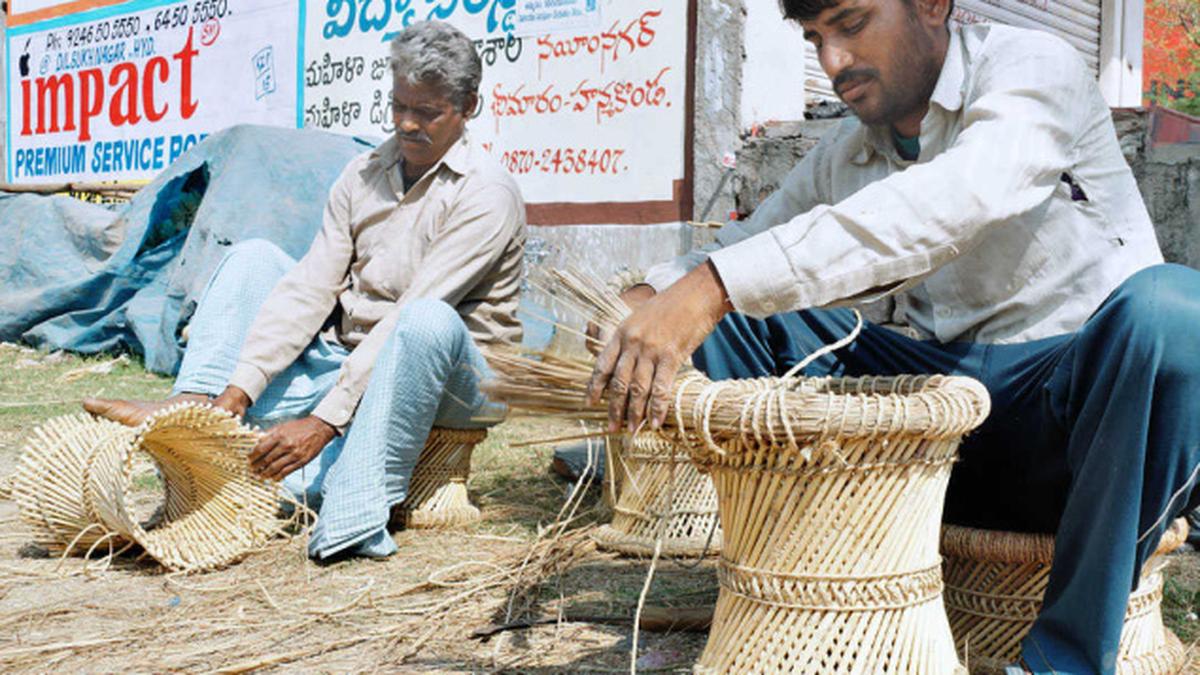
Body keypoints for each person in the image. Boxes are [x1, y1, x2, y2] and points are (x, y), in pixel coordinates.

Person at [587, 0, 1200, 672]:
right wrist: (648, 300)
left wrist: (710, 286)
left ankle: (1064, 658)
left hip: (1079, 431)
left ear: (933, 6)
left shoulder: (1031, 69)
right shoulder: (845, 155)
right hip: (942, 433)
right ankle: (807, 587)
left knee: (1172, 310)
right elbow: (741, 244)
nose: (833, 63)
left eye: (851, 25)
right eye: (815, 39)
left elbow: (954, 200)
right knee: (738, 313)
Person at [85, 21, 526, 561]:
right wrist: (241, 388)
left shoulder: (487, 193)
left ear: (467, 106)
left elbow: (415, 313)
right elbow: (313, 286)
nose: (408, 124)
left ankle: (355, 508)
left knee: (425, 321)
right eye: (399, 105)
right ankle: (201, 406)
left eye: (428, 112)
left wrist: (323, 422)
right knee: (254, 257)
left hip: (461, 371)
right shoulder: (363, 174)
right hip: (353, 355)